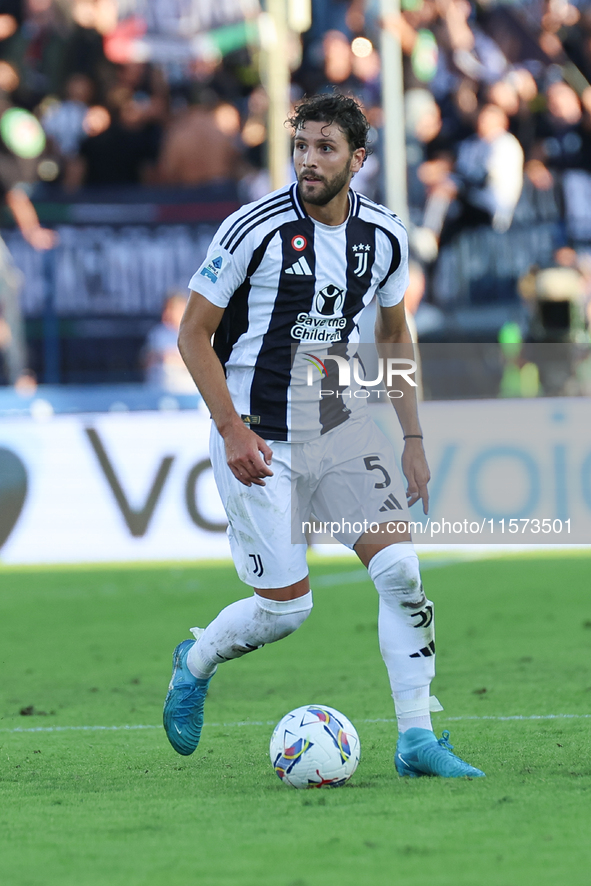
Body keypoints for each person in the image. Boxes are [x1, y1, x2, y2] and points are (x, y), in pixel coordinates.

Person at [163, 93, 485, 779]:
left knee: (401, 572)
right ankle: (195, 660)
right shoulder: (252, 228)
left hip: (336, 426)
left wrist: (412, 438)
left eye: (325, 149)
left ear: (356, 159)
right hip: (259, 437)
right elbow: (192, 333)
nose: (308, 160)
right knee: (286, 611)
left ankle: (416, 738)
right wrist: (229, 428)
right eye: (301, 146)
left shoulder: (386, 236)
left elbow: (394, 334)